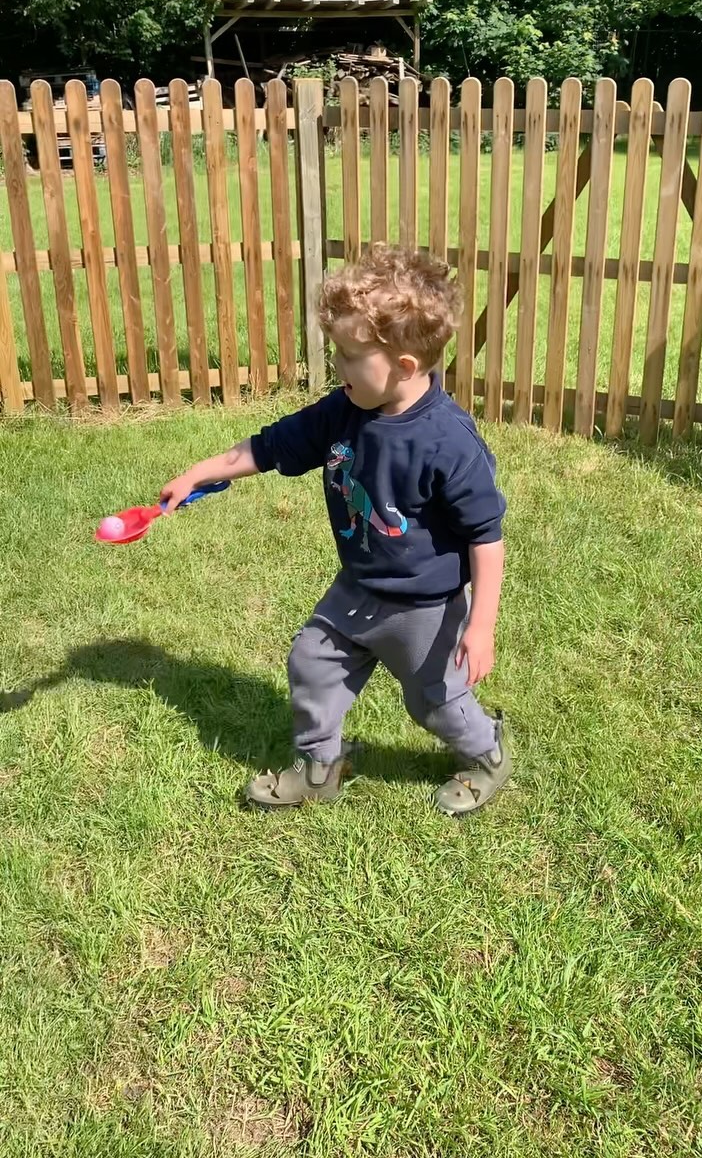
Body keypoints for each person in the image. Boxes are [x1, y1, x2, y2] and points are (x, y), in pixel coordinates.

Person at [160, 245, 509, 817]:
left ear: (402, 366)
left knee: (434, 701)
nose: (338, 369)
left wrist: (481, 623)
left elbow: (486, 537)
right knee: (311, 661)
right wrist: (199, 473)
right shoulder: (342, 411)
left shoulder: (449, 442)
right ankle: (322, 766)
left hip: (423, 607)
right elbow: (269, 446)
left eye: (350, 355)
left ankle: (487, 752)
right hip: (358, 587)